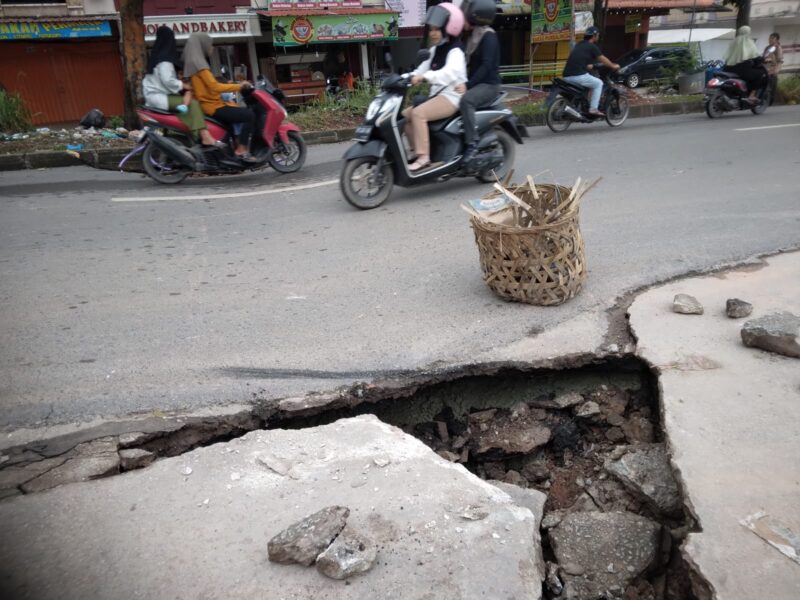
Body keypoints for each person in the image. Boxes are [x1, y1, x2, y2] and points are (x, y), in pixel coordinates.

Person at [404, 2, 467, 171]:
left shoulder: (455, 51)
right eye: (431, 29)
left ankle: (424, 157)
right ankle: (416, 151)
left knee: (418, 113)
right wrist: (403, 78)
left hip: (451, 97)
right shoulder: (435, 50)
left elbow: (448, 73)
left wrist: (424, 76)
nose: (432, 33)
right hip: (437, 96)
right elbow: (421, 68)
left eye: (437, 29)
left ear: (448, 29)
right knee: (404, 116)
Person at [182, 33, 258, 162]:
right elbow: (215, 87)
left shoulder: (193, 66)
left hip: (210, 106)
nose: (212, 48)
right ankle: (242, 149)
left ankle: (234, 152)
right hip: (214, 107)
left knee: (233, 120)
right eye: (209, 45)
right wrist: (239, 86)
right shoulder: (201, 66)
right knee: (249, 115)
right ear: (202, 46)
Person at [141, 26, 220, 147]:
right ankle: (205, 136)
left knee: (187, 106)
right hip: (160, 98)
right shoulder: (165, 61)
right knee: (193, 104)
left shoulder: (157, 59)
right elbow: (168, 81)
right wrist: (184, 86)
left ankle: (195, 135)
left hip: (156, 96)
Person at [455, 0, 501, 163]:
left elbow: (487, 66)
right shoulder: (472, 37)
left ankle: (472, 143)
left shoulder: (488, 36)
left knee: (466, 101)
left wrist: (468, 85)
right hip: (477, 83)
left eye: (464, 18)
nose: (462, 22)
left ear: (475, 17)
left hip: (489, 85)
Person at [561, 26, 619, 117]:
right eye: (598, 35)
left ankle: (582, 106)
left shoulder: (579, 45)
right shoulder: (592, 47)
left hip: (566, 76)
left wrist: (592, 66)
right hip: (577, 76)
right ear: (594, 36)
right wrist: (613, 66)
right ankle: (593, 109)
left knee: (589, 82)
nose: (598, 36)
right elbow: (602, 59)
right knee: (598, 83)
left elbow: (586, 64)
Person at [723, 25, 767, 102]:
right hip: (742, 70)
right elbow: (755, 56)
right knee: (760, 73)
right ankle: (751, 95)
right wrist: (763, 59)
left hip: (728, 68)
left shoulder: (734, 42)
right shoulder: (748, 42)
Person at [762, 32, 783, 105]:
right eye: (769, 38)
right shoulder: (767, 48)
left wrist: (777, 70)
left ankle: (770, 103)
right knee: (765, 86)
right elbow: (763, 57)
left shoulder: (778, 48)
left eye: (772, 38)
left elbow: (780, 61)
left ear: (776, 40)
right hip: (765, 70)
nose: (770, 39)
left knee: (771, 88)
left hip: (773, 71)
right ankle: (764, 102)